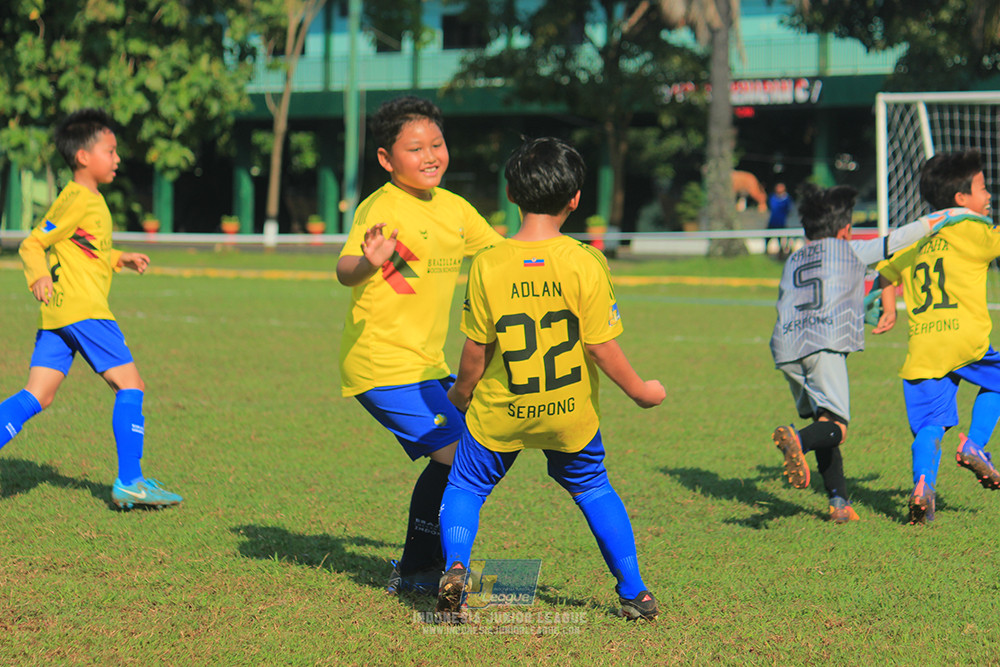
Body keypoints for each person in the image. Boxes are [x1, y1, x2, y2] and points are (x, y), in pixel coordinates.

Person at [436, 137, 665, 622]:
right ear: (576, 198)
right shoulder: (586, 261)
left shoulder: (488, 264)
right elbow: (602, 346)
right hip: (568, 414)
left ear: (511, 195)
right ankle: (635, 592)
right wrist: (641, 391)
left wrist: (459, 393)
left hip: (503, 412)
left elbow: (476, 352)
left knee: (464, 487)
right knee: (595, 488)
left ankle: (456, 567)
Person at [335, 96, 503, 594]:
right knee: (460, 457)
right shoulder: (381, 208)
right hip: (383, 366)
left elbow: (498, 252)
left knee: (466, 454)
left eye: (437, 144)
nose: (430, 156)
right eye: (415, 148)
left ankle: (418, 567)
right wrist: (368, 262)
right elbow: (346, 271)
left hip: (427, 365)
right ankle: (422, 570)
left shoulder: (453, 207)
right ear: (387, 159)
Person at [0, 108, 182, 510]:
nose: (117, 159)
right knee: (131, 385)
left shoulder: (87, 199)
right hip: (85, 311)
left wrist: (119, 258)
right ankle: (131, 481)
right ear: (83, 156)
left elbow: (85, 248)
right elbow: (33, 243)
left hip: (60, 315)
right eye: (110, 150)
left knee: (38, 395)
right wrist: (37, 275)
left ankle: (132, 480)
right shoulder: (78, 198)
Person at [769, 182, 958, 523]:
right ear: (844, 231)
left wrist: (865, 310)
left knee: (823, 420)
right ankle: (798, 440)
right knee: (836, 427)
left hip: (786, 347)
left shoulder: (795, 257)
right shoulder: (848, 252)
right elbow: (896, 240)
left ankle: (839, 504)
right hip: (822, 344)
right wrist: (939, 218)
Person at [877, 150, 1000, 525]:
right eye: (982, 188)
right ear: (961, 198)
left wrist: (889, 309)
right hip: (966, 338)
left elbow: (885, 270)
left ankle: (922, 486)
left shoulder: (918, 236)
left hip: (925, 345)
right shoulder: (973, 229)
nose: (989, 195)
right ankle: (974, 445)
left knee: (930, 424)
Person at [765, 182, 793, 257]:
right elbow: (772, 207)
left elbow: (789, 210)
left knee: (783, 238)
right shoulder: (772, 197)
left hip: (782, 222)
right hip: (773, 222)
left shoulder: (787, 199)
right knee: (767, 237)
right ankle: (766, 250)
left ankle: (782, 251)